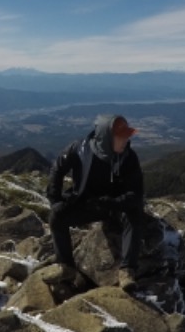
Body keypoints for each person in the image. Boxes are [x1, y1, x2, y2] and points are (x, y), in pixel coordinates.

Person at [46, 114, 146, 289]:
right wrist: (55, 199)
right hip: (86, 203)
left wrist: (114, 203)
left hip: (115, 205)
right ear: (106, 138)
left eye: (126, 136)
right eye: (120, 137)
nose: (125, 140)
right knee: (57, 216)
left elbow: (136, 194)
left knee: (135, 213)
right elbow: (57, 169)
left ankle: (127, 271)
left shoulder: (128, 157)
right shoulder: (80, 150)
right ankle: (66, 267)